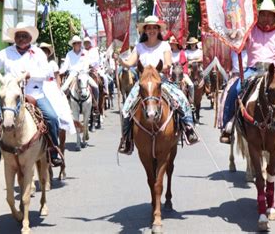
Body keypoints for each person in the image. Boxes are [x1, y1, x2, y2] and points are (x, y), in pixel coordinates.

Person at [0, 22, 63, 168]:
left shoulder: (39, 53)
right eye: (18, 36)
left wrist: (30, 75)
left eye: (24, 36)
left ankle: (53, 152)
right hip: (12, 97)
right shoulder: (6, 52)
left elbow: (47, 73)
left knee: (52, 118)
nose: (21, 38)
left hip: (35, 94)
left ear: (30, 38)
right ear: (14, 38)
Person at [220, 0, 275, 148]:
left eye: (270, 15)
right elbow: (241, 43)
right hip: (253, 70)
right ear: (259, 16)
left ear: (274, 17)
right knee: (234, 91)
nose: (266, 18)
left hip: (273, 72)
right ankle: (227, 126)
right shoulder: (251, 31)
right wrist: (236, 36)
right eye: (263, 15)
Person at [117, 15, 199, 154]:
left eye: (154, 28)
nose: (152, 30)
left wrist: (163, 67)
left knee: (181, 99)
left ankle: (188, 128)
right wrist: (119, 60)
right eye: (149, 28)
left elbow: (167, 63)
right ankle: (126, 138)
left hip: (161, 81)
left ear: (158, 30)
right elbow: (130, 63)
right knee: (126, 108)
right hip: (143, 83)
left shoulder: (165, 45)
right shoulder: (139, 47)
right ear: (145, 31)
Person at [39, 43, 76, 135]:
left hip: (51, 86)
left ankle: (62, 123)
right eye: (42, 51)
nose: (44, 53)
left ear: (48, 53)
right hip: (40, 86)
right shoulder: (36, 64)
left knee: (60, 105)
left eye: (45, 51)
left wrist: (59, 89)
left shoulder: (52, 64)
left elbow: (57, 78)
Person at [59, 35, 99, 108]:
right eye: (76, 43)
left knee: (96, 87)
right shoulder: (69, 54)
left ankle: (95, 105)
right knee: (63, 89)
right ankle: (64, 107)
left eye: (79, 43)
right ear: (73, 45)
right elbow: (65, 67)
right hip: (72, 74)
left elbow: (87, 63)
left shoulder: (85, 52)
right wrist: (58, 72)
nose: (77, 44)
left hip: (83, 74)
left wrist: (84, 71)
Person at [169, 36, 195, 109]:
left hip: (181, 73)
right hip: (170, 73)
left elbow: (185, 65)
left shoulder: (182, 53)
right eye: (170, 43)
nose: (171, 45)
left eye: (172, 43)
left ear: (177, 44)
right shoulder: (168, 52)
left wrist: (184, 75)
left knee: (191, 85)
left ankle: (191, 102)